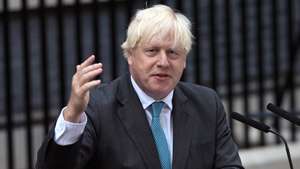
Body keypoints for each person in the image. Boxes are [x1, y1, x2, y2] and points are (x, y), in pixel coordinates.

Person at [36, 4, 244, 169]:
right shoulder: (98, 108)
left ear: (185, 60)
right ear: (130, 55)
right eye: (152, 51)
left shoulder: (207, 104)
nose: (163, 62)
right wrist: (72, 115)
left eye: (173, 53)